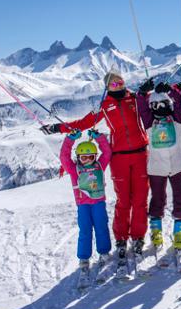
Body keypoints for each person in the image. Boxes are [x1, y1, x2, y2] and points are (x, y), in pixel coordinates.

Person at [41, 71, 149, 259]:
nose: (118, 86)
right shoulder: (105, 106)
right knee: (124, 201)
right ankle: (121, 238)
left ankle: (138, 237)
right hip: (119, 157)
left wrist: (157, 90)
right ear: (107, 87)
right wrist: (58, 128)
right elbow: (83, 123)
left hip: (141, 154)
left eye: (120, 82)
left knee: (140, 199)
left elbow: (154, 102)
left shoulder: (136, 99)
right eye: (113, 85)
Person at [136, 79, 181, 251]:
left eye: (163, 104)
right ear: (152, 107)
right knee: (158, 198)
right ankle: (156, 230)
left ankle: (179, 231)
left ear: (169, 104)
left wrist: (171, 90)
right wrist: (142, 93)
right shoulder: (149, 123)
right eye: (156, 105)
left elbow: (179, 102)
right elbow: (142, 108)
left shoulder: (176, 119)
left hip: (177, 164)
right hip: (157, 167)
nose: (160, 108)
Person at [59, 128, 112, 276]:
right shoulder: (74, 169)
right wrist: (70, 140)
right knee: (85, 230)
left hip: (99, 203)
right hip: (83, 206)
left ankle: (104, 252)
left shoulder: (99, 166)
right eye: (83, 158)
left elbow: (107, 152)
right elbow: (64, 157)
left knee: (101, 227)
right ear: (78, 157)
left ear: (95, 156)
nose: (87, 160)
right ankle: (84, 258)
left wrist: (99, 138)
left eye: (90, 157)